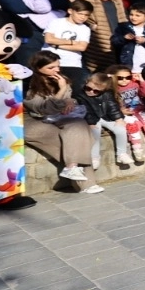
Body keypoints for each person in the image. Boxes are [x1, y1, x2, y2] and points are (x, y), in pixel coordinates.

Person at [22, 52, 102, 194]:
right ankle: (86, 184)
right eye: (51, 67)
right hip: (33, 120)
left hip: (60, 117)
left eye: (58, 66)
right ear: (38, 68)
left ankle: (72, 169)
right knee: (73, 142)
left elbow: (68, 99)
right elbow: (43, 109)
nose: (57, 70)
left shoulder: (61, 79)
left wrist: (70, 100)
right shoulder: (29, 84)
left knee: (78, 127)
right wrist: (62, 90)